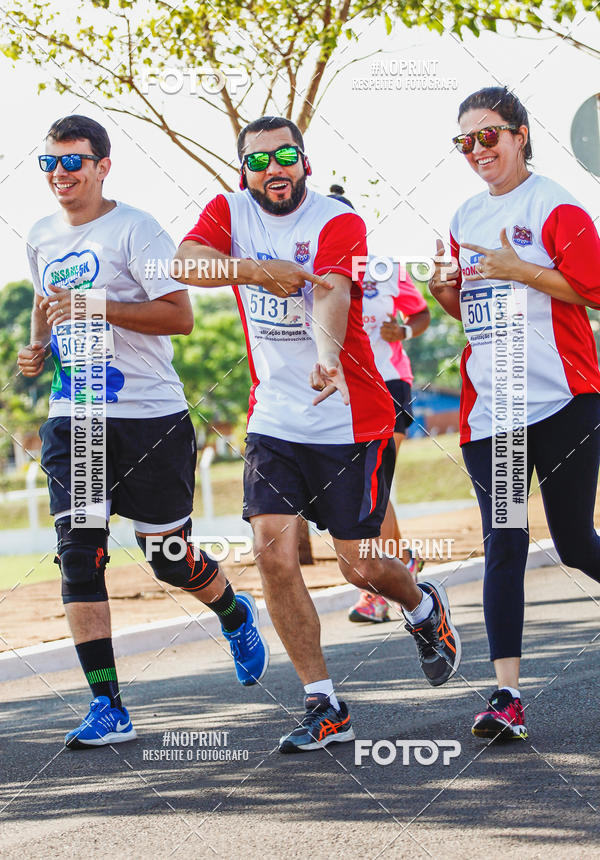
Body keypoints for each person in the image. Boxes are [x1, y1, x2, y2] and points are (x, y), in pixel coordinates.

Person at [173, 115, 461, 753]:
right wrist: (253, 271)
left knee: (360, 568)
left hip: (350, 417)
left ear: (304, 159)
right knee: (272, 556)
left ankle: (421, 608)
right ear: (243, 169)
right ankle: (324, 703)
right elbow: (185, 262)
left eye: (285, 156)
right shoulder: (228, 211)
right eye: (258, 161)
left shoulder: (338, 220)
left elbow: (330, 290)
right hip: (274, 419)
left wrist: (327, 356)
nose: (273, 169)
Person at [18, 115, 268, 750]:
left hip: (150, 416)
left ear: (103, 166)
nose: (61, 175)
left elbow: (179, 316)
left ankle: (233, 612)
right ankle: (108, 705)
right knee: (79, 554)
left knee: (168, 558)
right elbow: (49, 308)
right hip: (76, 416)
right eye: (50, 164)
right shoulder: (42, 235)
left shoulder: (138, 228)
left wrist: (97, 306)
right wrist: (37, 347)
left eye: (74, 162)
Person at [430, 86, 600, 741]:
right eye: (464, 142)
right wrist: (449, 292)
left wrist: (520, 269)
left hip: (563, 401)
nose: (477, 151)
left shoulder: (556, 204)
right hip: (492, 412)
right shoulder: (464, 214)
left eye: (489, 136)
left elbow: (594, 289)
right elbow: (473, 315)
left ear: (520, 134)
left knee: (576, 543)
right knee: (505, 542)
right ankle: (505, 697)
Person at [327, 188, 431, 621]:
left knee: (373, 486)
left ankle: (378, 589)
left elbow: (421, 313)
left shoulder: (386, 269)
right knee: (369, 488)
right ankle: (401, 562)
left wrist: (404, 333)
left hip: (388, 384)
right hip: (340, 389)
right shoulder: (315, 269)